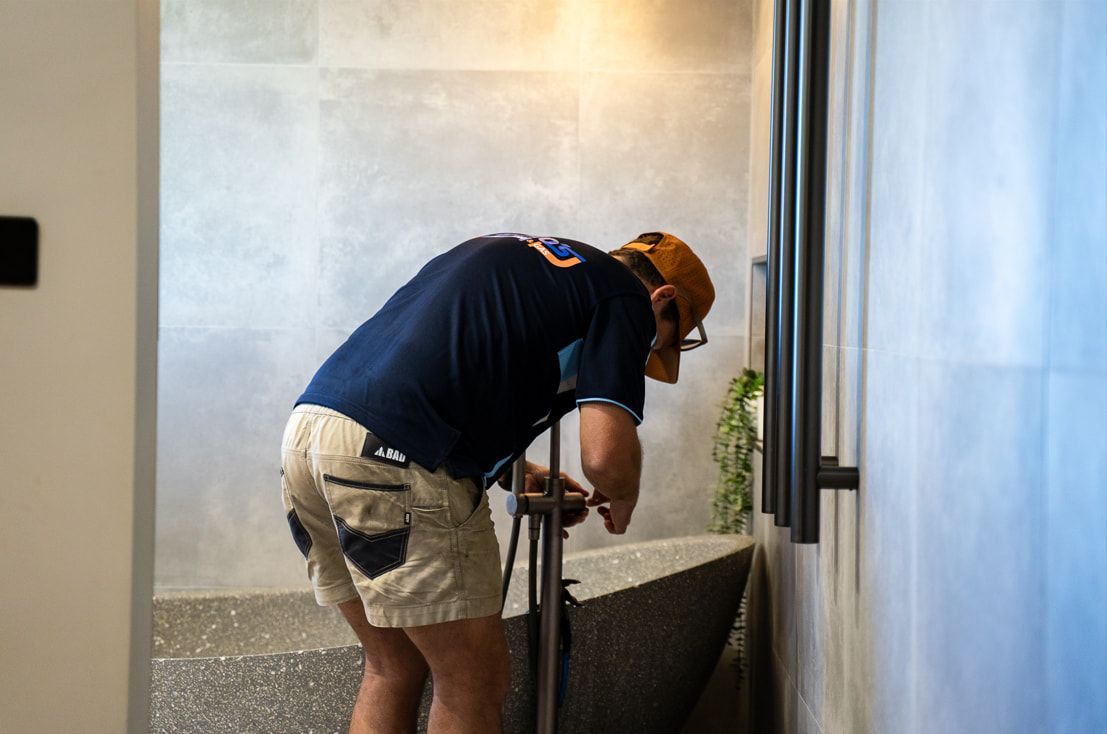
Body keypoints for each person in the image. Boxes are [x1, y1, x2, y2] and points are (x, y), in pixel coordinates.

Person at [280, 231, 715, 733]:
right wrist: (625, 491)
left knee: (391, 666)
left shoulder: (519, 256)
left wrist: (516, 472)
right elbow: (604, 458)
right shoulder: (625, 298)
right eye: (656, 341)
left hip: (309, 438)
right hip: (398, 460)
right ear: (662, 299)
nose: (643, 355)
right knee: (472, 684)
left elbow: (450, 370)